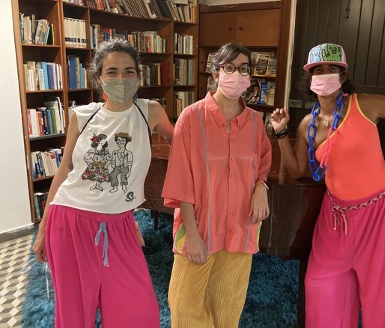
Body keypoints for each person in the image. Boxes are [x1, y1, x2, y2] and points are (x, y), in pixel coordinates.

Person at [270, 43, 385, 328]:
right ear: (310, 78)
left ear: (343, 76)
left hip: (381, 213)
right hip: (335, 218)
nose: (326, 74)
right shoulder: (308, 123)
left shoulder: (366, 104)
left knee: (381, 296)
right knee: (319, 284)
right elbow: (296, 170)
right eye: (319, 70)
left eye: (333, 69)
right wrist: (281, 132)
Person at [32, 39, 173, 328]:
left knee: (138, 311)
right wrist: (43, 230)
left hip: (119, 223)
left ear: (139, 77)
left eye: (129, 71)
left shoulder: (151, 112)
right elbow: (64, 171)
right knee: (74, 314)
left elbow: (186, 150)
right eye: (112, 72)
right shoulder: (82, 116)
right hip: (69, 220)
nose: (121, 78)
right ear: (98, 78)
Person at [162, 42, 272, 327]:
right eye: (229, 68)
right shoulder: (192, 117)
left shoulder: (257, 122)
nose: (236, 74)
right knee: (184, 305)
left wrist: (262, 187)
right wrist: (194, 235)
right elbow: (180, 178)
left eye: (243, 69)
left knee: (228, 305)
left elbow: (261, 164)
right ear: (215, 74)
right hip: (200, 226)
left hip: (240, 227)